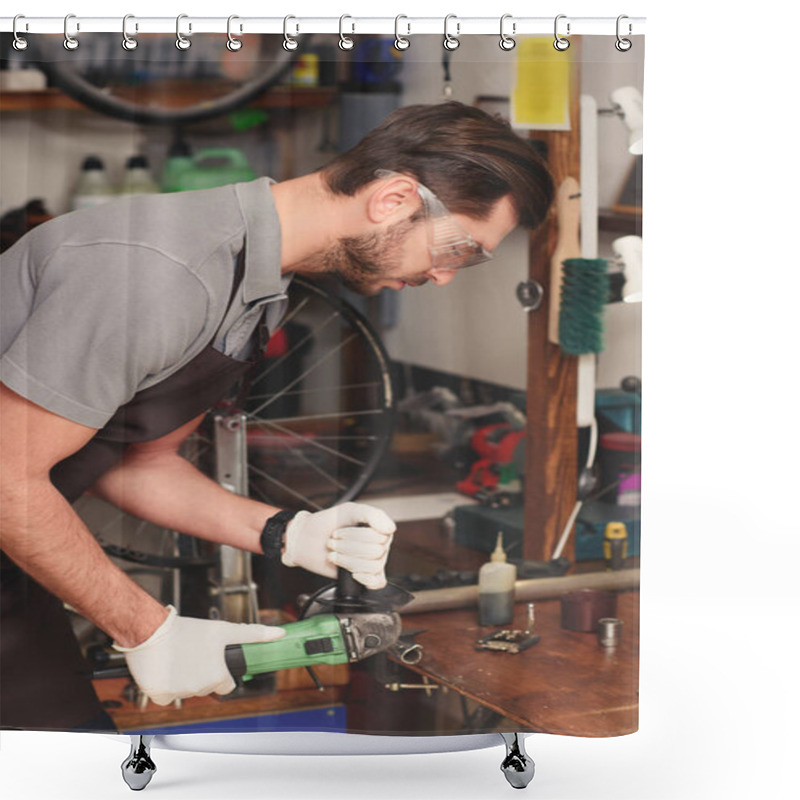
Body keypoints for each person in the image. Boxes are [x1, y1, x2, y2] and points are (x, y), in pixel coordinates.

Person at [0, 101, 554, 731]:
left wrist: (289, 533)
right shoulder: (166, 273)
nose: (448, 275)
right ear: (394, 199)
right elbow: (7, 475)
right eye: (462, 248)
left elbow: (132, 458)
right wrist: (148, 630)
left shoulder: (259, 282)